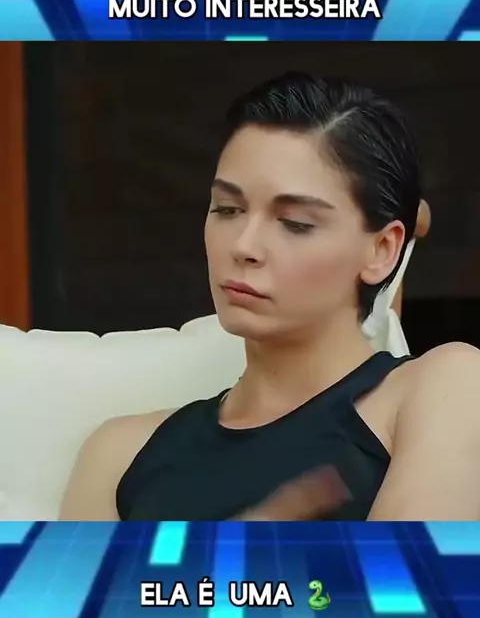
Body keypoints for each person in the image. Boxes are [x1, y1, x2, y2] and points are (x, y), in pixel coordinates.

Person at [60, 72, 480, 521]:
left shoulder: (441, 388)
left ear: (381, 250)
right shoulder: (120, 454)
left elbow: (411, 566)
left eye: (296, 223)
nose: (243, 245)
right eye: (227, 209)